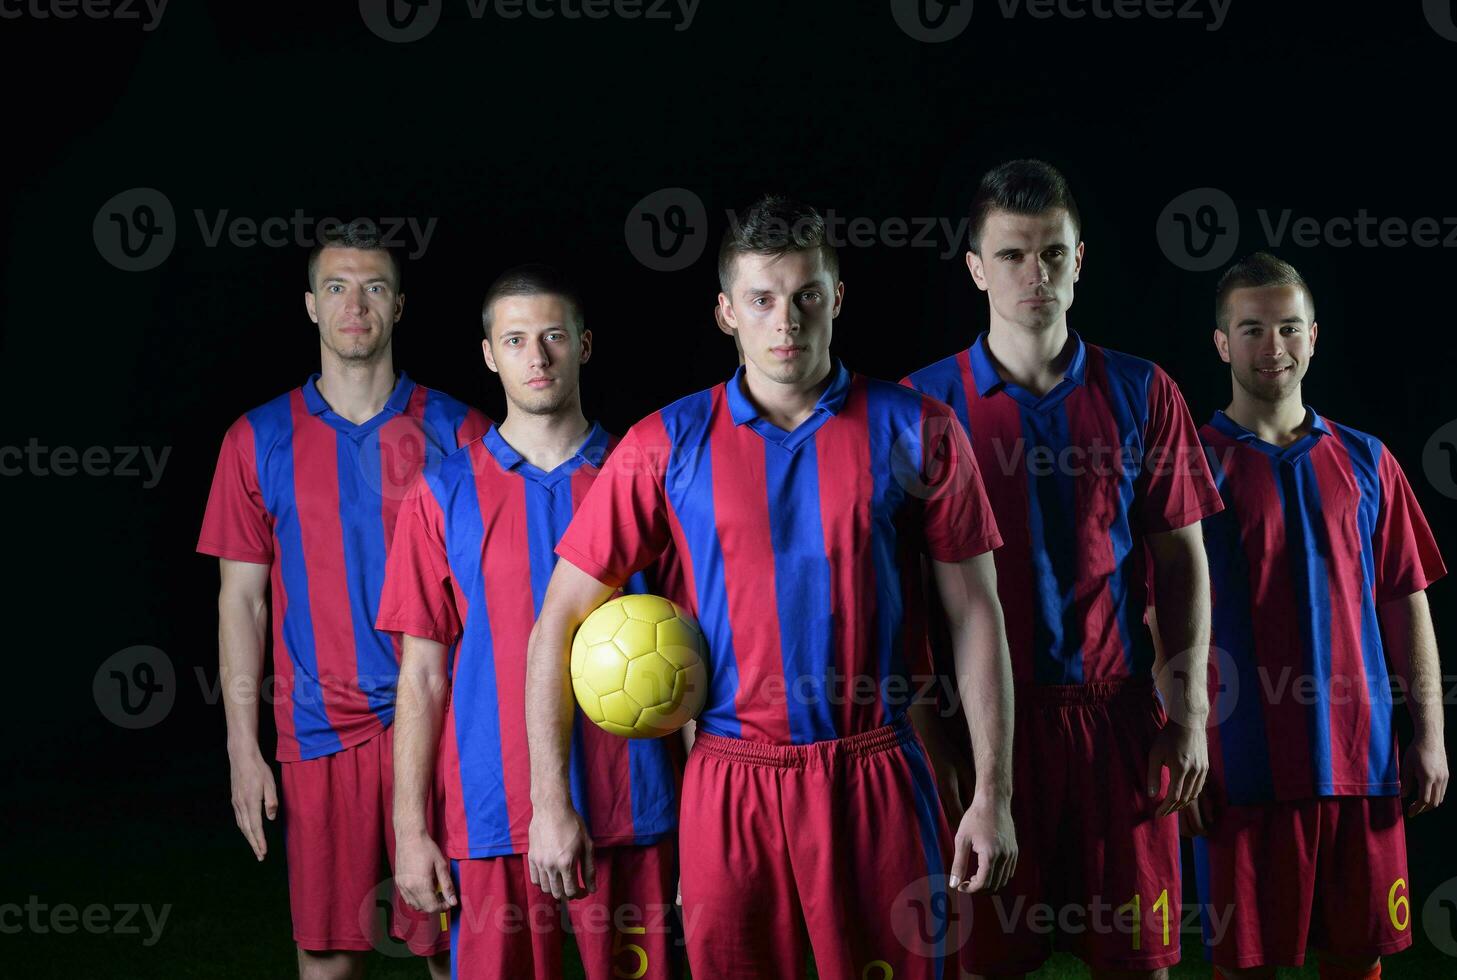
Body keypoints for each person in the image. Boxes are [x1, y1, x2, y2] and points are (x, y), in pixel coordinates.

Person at [525, 194, 1018, 980]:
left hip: (877, 773)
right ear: (725, 312)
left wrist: (991, 793)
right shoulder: (665, 444)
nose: (784, 321)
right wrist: (549, 804)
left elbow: (975, 615)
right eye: (761, 300)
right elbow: (557, 620)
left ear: (836, 300)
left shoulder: (917, 429)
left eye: (805, 297)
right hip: (731, 780)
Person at [903, 160, 1222, 979]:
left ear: (1078, 261)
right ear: (975, 268)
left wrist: (1185, 716)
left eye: (1052, 253)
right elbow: (897, 598)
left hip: (1114, 720)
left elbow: (1180, 563)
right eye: (1010, 255)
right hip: (983, 731)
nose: (1033, 273)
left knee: (1138, 962)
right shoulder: (919, 407)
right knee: (986, 963)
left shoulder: (1142, 389)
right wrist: (929, 735)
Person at [197, 226, 490, 979]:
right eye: (335, 287)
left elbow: (495, 598)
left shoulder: (460, 432)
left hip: (442, 727)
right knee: (327, 959)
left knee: (457, 951)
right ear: (309, 306)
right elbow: (242, 602)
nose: (353, 304)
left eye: (373, 288)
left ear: (399, 307)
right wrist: (240, 746)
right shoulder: (255, 438)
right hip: (317, 731)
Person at [376, 265, 683, 978]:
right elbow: (421, 675)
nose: (536, 357)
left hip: (631, 801)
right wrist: (409, 828)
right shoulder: (441, 492)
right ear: (488, 354)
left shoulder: (645, 477)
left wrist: (700, 819)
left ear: (584, 344)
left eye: (552, 336)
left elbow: (696, 658)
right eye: (515, 340)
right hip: (492, 809)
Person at [1168, 252, 1448, 980]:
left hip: (1361, 762)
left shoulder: (1366, 460)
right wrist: (1175, 740)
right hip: (1239, 767)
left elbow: (1403, 602)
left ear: (1313, 337)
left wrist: (1429, 737)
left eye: (1288, 328)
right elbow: (1153, 618)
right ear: (1221, 344)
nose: (1273, 348)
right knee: (1244, 964)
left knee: (1357, 964)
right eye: (1252, 329)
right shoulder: (1188, 465)